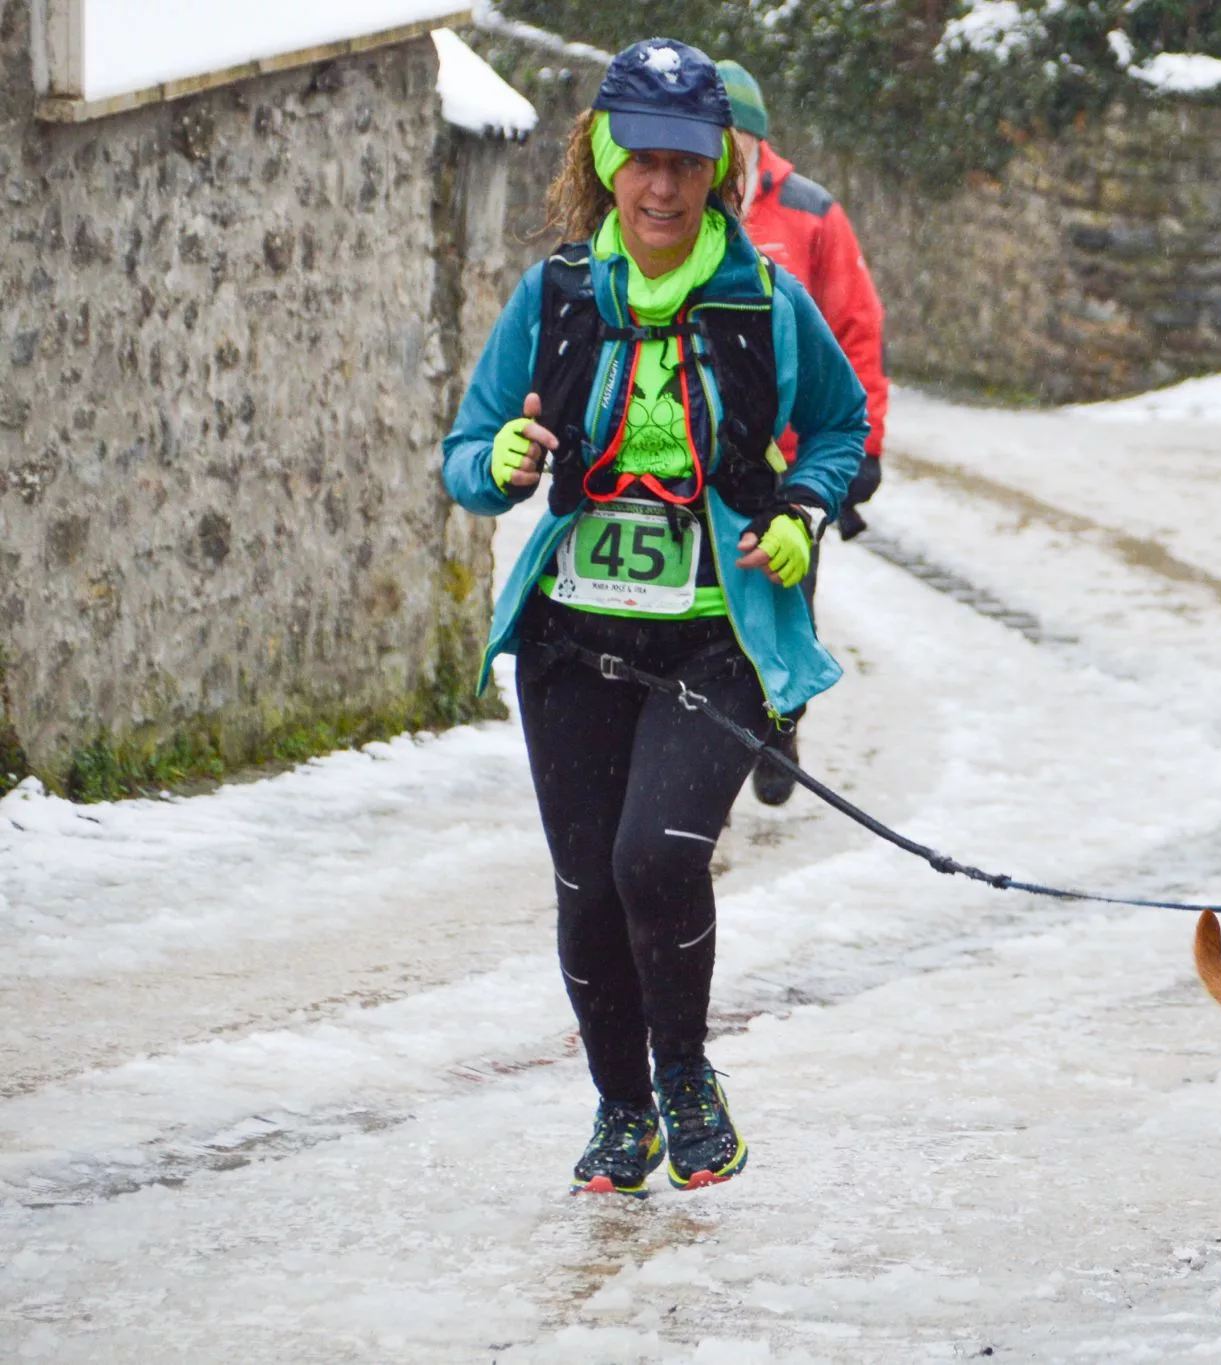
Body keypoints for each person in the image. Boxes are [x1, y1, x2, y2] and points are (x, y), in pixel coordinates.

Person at [441, 38, 868, 1198]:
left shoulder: (766, 301)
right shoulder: (558, 295)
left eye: (685, 163)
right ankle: (619, 1111)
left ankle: (683, 1075)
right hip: (572, 641)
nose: (663, 188)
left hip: (710, 636)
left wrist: (801, 509)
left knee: (655, 858)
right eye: (642, 161)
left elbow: (841, 431)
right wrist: (504, 460)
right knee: (585, 888)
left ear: (719, 166)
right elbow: (464, 453)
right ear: (604, 158)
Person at [717, 59, 889, 807]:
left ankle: (782, 720)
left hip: (791, 464)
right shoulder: (680, 211)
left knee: (791, 596)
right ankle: (714, 745)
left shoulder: (812, 215)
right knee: (714, 608)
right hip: (703, 458)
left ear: (760, 145)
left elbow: (856, 330)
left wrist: (865, 448)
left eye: (736, 145)